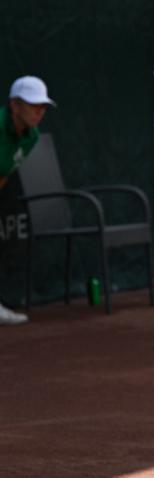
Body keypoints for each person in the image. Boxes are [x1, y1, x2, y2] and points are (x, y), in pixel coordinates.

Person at [0, 76, 55, 326]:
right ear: (14, 106)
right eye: (33, 105)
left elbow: (4, 173)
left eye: (42, 106)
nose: (38, 112)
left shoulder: (31, 137)